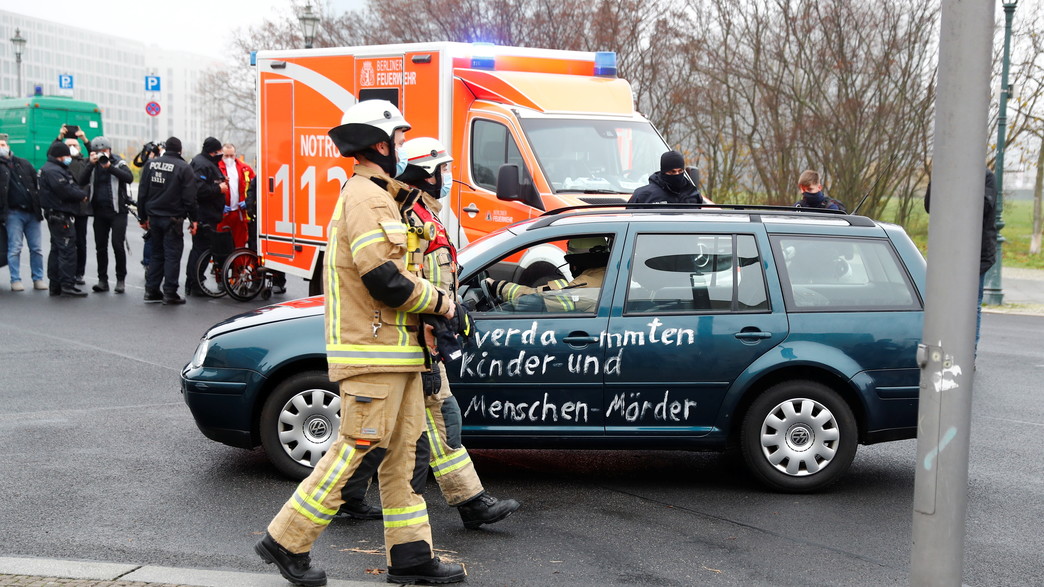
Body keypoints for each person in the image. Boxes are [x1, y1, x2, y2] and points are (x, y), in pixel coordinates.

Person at [255, 100, 466, 586]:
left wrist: (430, 326)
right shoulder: (366, 197)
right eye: (397, 141)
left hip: (399, 355)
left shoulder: (381, 195)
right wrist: (444, 306)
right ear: (379, 143)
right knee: (354, 448)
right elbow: (385, 280)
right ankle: (287, 540)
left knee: (401, 455)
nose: (401, 150)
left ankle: (412, 557)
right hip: (374, 357)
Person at [336, 137, 521, 528]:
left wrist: (456, 311)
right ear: (426, 173)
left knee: (420, 426)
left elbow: (440, 274)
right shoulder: (404, 214)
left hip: (428, 336)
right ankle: (460, 504)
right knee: (423, 428)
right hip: (414, 340)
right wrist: (436, 319)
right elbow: (402, 279)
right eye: (444, 170)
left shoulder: (425, 213)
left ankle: (353, 498)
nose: (448, 178)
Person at [924, 168, 996, 352]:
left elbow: (982, 208)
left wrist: (958, 190)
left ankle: (969, 353)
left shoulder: (986, 178)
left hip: (976, 254)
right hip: (947, 253)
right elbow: (930, 206)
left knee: (973, 304)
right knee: (942, 302)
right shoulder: (945, 172)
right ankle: (945, 347)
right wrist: (938, 178)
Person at [137, 137, 198, 305]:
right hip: (173, 219)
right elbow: (190, 198)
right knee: (172, 255)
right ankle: (170, 292)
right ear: (180, 150)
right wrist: (194, 219)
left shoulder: (151, 164)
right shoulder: (183, 168)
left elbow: (142, 192)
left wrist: (142, 217)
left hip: (154, 218)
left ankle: (151, 290)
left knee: (157, 253)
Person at [485, 236, 611, 313]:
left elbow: (533, 299)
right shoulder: (611, 276)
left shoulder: (580, 287)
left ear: (576, 264)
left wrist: (498, 286)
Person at [77, 136, 134, 293]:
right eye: (98, 152)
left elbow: (129, 178)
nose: (102, 154)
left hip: (117, 212)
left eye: (104, 151)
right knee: (100, 247)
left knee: (117, 245)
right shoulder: (92, 165)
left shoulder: (118, 162)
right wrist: (91, 164)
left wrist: (109, 167)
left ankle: (120, 279)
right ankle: (103, 280)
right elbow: (81, 181)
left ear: (109, 151)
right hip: (99, 212)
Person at [38, 141, 89, 297]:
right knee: (67, 250)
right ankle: (67, 284)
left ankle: (55, 284)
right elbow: (65, 190)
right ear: (60, 156)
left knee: (57, 250)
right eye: (67, 155)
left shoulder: (52, 168)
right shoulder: (54, 171)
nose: (69, 157)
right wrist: (82, 195)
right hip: (61, 216)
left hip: (55, 214)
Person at [1, 134, 46, 292]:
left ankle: (38, 278)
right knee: (15, 248)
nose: (2, 147)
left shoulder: (23, 163)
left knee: (36, 248)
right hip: (13, 213)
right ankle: (15, 279)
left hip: (32, 213)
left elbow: (36, 184)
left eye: (3, 144)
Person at [185, 136, 228, 296]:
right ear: (213, 152)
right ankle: (195, 283)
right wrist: (219, 189)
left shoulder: (206, 163)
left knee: (200, 249)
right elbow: (199, 189)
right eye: (219, 152)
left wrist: (220, 182)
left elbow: (209, 182)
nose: (221, 155)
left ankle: (194, 282)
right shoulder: (202, 164)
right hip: (205, 214)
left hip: (209, 214)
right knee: (201, 249)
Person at [59, 125, 91, 286]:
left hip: (82, 210)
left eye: (75, 145)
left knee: (81, 242)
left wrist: (84, 139)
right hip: (65, 208)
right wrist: (60, 136)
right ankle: (66, 273)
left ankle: (79, 273)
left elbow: (95, 154)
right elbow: (52, 152)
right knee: (65, 242)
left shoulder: (85, 161)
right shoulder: (60, 163)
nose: (72, 148)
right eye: (69, 145)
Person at [629, 150, 705, 205]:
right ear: (663, 172)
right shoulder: (643, 195)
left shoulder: (693, 194)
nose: (677, 174)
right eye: (672, 172)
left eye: (680, 171)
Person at [216, 143, 255, 250]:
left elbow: (254, 186)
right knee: (222, 244)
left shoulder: (245, 168)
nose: (229, 158)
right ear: (221, 154)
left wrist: (247, 202)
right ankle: (222, 265)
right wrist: (219, 206)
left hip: (239, 213)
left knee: (240, 243)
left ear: (235, 154)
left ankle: (239, 266)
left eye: (231, 156)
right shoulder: (216, 168)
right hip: (223, 213)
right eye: (226, 156)